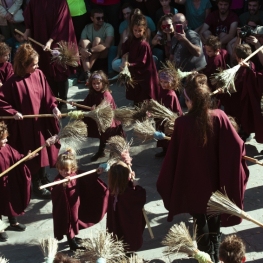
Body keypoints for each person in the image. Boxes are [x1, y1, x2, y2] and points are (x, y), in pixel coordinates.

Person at [156, 74, 249, 262]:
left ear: (190, 101)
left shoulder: (182, 123)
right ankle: (215, 250)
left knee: (199, 217)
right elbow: (237, 144)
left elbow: (175, 153)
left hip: (193, 181)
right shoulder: (220, 117)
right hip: (216, 180)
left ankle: (207, 254)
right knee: (215, 215)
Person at [0, 43, 61, 199]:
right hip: (25, 127)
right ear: (23, 65)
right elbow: (2, 100)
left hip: (39, 123)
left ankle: (43, 176)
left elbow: (48, 95)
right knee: (32, 154)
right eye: (33, 64)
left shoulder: (39, 74)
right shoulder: (12, 83)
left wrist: (53, 107)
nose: (37, 66)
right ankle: (36, 185)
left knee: (43, 150)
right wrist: (13, 112)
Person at [23, 0, 78, 113]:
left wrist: (50, 41)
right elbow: (29, 16)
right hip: (40, 38)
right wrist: (27, 31)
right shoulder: (34, 2)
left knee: (60, 71)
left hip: (58, 40)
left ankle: (63, 102)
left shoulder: (60, 2)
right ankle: (52, 102)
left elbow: (61, 23)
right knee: (46, 70)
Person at [51, 148, 109, 251]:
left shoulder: (76, 174)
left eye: (67, 169)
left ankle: (72, 238)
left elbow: (88, 178)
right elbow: (55, 191)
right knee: (68, 223)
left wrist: (97, 173)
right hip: (65, 208)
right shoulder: (58, 180)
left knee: (75, 221)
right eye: (61, 169)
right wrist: (63, 185)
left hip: (75, 204)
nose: (64, 172)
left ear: (73, 168)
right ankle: (72, 243)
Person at [75, 70, 124, 162]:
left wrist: (97, 109)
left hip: (109, 120)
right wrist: (77, 104)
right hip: (100, 120)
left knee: (112, 137)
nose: (96, 86)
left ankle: (115, 154)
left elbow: (104, 105)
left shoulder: (106, 94)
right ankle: (101, 152)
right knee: (102, 135)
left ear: (103, 82)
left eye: (98, 83)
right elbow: (86, 103)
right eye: (94, 83)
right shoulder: (92, 93)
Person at [0, 121, 35, 242]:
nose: (5, 141)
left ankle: (13, 222)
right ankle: (0, 229)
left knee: (10, 202)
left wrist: (25, 157)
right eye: (2, 139)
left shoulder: (7, 147)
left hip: (8, 183)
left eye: (5, 138)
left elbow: (16, 157)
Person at [220, 44, 263, 143]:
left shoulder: (246, 69)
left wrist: (224, 92)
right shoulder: (249, 65)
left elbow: (237, 88)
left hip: (240, 101)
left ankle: (241, 135)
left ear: (238, 57)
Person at [106, 161, 146, 252]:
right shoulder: (127, 192)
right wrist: (137, 186)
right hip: (127, 220)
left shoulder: (113, 188)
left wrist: (130, 179)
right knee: (128, 236)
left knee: (118, 233)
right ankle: (128, 252)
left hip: (117, 218)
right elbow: (140, 197)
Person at [121, 12, 160, 105]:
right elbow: (124, 47)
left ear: (144, 30)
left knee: (144, 92)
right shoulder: (131, 40)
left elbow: (142, 61)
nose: (137, 33)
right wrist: (124, 57)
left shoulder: (144, 44)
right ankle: (137, 104)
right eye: (135, 30)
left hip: (144, 72)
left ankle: (144, 107)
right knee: (136, 89)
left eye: (139, 31)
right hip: (134, 71)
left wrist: (130, 64)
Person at [79, 8, 114, 85]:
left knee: (97, 40)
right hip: (91, 53)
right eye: (98, 18)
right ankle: (88, 73)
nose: (101, 20)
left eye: (103, 18)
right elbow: (80, 44)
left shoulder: (108, 27)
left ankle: (85, 71)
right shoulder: (87, 27)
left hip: (104, 52)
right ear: (92, 18)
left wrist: (90, 50)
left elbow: (107, 45)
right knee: (84, 42)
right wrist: (82, 50)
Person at [155, 67, 183, 157]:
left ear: (172, 83)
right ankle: (165, 151)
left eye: (166, 82)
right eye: (161, 82)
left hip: (169, 119)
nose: (163, 84)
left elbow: (169, 109)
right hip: (161, 117)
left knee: (168, 135)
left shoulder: (170, 94)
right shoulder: (162, 91)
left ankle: (170, 153)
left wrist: (158, 111)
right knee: (162, 135)